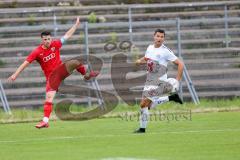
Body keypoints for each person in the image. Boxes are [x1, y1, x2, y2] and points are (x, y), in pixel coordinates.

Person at [8, 17, 99, 129]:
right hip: (52, 78)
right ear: (42, 40)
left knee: (76, 62)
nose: (47, 41)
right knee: (49, 99)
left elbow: (67, 35)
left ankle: (86, 75)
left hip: (61, 70)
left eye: (49, 39)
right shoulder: (37, 52)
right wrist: (15, 74)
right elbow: (25, 63)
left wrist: (75, 25)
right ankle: (45, 121)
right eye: (45, 39)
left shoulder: (55, 44)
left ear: (51, 39)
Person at [134, 29, 184, 133]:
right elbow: (147, 58)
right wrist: (140, 60)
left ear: (163, 38)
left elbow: (180, 64)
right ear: (154, 36)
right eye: (158, 36)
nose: (159, 38)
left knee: (144, 104)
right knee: (147, 106)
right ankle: (171, 98)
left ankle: (142, 129)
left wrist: (177, 81)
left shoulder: (165, 51)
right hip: (149, 80)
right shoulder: (150, 47)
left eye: (162, 37)